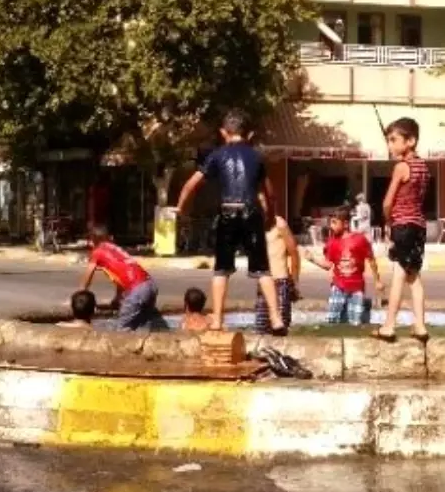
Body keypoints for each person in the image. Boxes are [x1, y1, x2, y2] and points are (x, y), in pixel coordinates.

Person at [175, 110, 286, 334]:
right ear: (250, 134)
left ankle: (217, 320)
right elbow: (270, 193)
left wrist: (181, 209)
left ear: (223, 132)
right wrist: (271, 216)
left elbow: (190, 185)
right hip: (251, 211)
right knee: (262, 269)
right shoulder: (257, 157)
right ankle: (276, 319)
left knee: (221, 270)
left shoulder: (217, 155)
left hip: (228, 212)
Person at [373, 117, 430, 343]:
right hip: (419, 226)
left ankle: (389, 326)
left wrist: (387, 221)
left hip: (403, 225)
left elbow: (388, 201)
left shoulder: (401, 167)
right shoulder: (424, 168)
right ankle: (420, 325)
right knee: (413, 276)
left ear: (411, 141)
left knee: (398, 274)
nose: (390, 145)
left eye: (393, 140)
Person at [78, 225, 168, 331]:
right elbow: (121, 275)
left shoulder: (98, 252)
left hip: (138, 289)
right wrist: (117, 298)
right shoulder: (115, 249)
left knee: (122, 330)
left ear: (93, 240)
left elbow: (88, 274)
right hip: (150, 284)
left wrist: (80, 296)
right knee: (144, 324)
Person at [305, 206, 382, 326]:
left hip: (356, 287)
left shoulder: (360, 240)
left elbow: (371, 260)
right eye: (331, 223)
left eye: (335, 223)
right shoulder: (332, 242)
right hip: (338, 286)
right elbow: (329, 265)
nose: (331, 226)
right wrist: (312, 259)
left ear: (346, 224)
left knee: (355, 321)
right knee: (332, 319)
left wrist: (377, 280)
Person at [255, 216, 301, 334]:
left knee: (280, 327)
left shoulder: (279, 223)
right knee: (261, 329)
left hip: (279, 281)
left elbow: (293, 252)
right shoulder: (256, 223)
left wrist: (294, 283)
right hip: (263, 282)